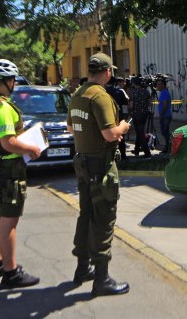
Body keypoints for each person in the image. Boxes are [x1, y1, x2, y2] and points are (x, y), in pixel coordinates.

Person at [67, 53, 132, 296]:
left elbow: (71, 127)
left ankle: (82, 268)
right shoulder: (100, 97)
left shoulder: (77, 95)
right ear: (106, 72)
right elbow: (109, 134)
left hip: (83, 164)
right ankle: (101, 279)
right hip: (100, 165)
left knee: (86, 216)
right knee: (104, 219)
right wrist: (123, 127)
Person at [0, 59, 43, 288]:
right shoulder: (2, 107)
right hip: (8, 170)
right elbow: (8, 142)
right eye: (13, 80)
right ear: (8, 81)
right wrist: (32, 149)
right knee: (9, 223)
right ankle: (11, 272)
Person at [106, 76, 130, 159]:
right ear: (115, 83)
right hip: (118, 115)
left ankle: (110, 155)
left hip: (107, 116)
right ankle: (123, 155)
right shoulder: (119, 92)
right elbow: (125, 102)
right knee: (120, 135)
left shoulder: (103, 92)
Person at [127, 77, 152, 157]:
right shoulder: (146, 91)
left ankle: (147, 153)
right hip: (144, 114)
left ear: (134, 83)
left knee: (140, 133)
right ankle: (137, 150)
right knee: (139, 132)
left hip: (136, 114)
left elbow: (131, 105)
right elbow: (149, 102)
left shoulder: (133, 92)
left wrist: (129, 111)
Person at [155, 78, 172, 151]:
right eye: (157, 84)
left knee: (164, 131)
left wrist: (161, 115)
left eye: (159, 84)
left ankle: (169, 146)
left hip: (165, 116)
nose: (157, 86)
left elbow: (165, 105)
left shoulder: (165, 93)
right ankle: (168, 145)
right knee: (164, 131)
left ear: (163, 85)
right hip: (164, 116)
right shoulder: (162, 93)